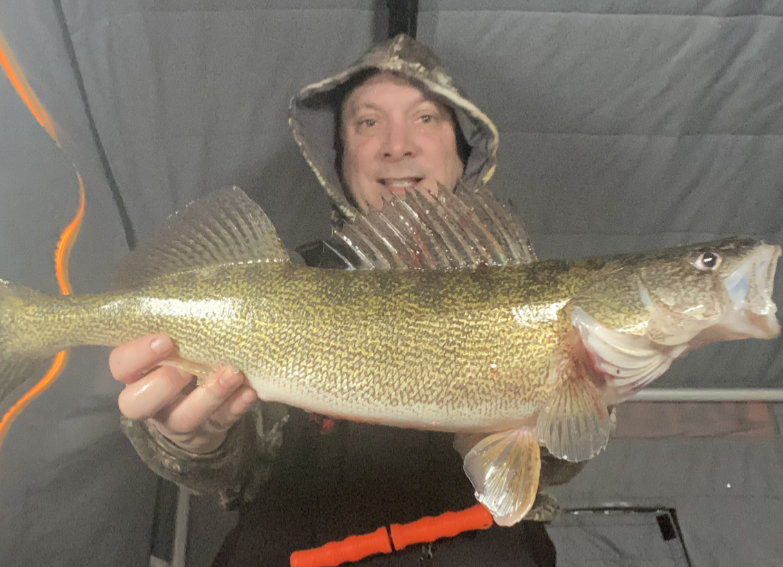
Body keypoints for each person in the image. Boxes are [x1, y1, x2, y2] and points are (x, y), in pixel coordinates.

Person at [112, 34, 582, 565]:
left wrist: (558, 416)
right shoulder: (275, 283)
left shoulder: (532, 291)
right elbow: (232, 467)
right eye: (367, 121)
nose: (396, 144)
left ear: (463, 148)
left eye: (425, 118)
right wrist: (190, 440)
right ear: (340, 156)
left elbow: (558, 462)